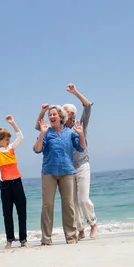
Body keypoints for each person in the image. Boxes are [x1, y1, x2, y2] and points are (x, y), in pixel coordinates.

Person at [35, 83, 98, 239]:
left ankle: (93, 223)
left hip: (81, 165)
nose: (61, 112)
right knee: (72, 203)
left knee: (82, 199)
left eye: (64, 110)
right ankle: (80, 229)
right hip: (66, 169)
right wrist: (43, 112)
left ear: (71, 113)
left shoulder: (79, 125)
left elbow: (88, 107)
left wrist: (75, 92)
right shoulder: (56, 128)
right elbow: (40, 128)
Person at [33, 105, 85, 245]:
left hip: (67, 172)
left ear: (61, 117)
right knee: (47, 205)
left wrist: (80, 134)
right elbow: (37, 149)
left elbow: (81, 147)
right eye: (50, 115)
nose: (51, 117)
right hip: (49, 173)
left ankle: (71, 237)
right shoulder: (46, 132)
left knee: (69, 205)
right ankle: (46, 238)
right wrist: (42, 133)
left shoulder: (69, 133)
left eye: (54, 114)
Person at [0, 108, 30, 249]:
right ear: (0, 140)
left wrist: (12, 123)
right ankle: (9, 240)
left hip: (17, 183)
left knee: (22, 211)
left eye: (9, 139)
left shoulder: (11, 148)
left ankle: (23, 240)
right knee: (7, 214)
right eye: (6, 139)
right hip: (5, 185)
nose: (9, 140)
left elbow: (21, 137)